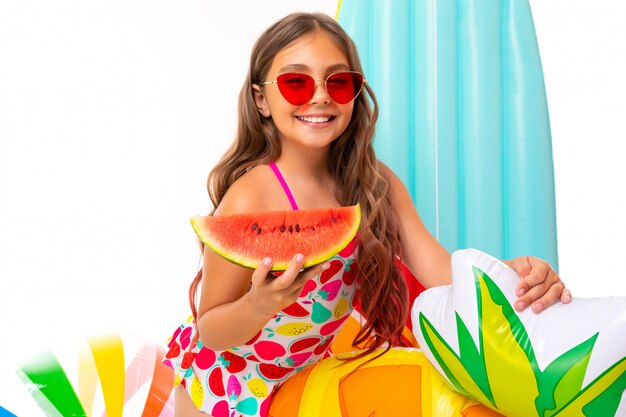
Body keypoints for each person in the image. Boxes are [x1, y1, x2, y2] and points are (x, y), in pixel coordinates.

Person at [163, 12, 572, 417]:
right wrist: (260, 303)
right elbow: (211, 329)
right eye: (296, 82)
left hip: (303, 380)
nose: (320, 96)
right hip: (223, 385)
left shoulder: (374, 183)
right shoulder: (251, 195)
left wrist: (510, 275)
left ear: (354, 95)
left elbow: (440, 270)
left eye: (338, 82)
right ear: (261, 100)